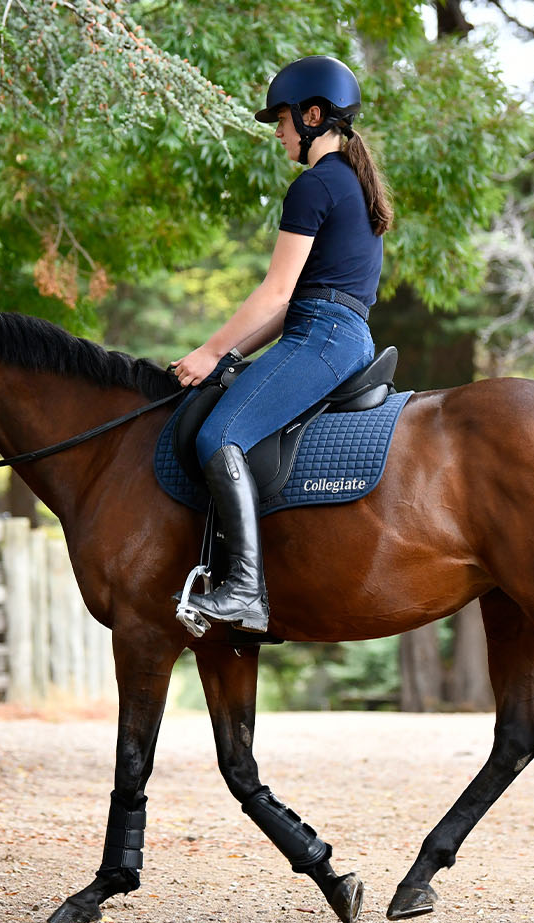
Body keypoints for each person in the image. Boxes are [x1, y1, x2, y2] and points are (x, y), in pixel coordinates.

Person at [170, 55, 393, 633]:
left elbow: (275, 295)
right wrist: (232, 353)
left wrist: (211, 351)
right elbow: (294, 304)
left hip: (322, 337)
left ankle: (244, 589)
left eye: (284, 119)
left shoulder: (314, 185)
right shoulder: (352, 182)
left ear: (314, 116)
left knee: (221, 435)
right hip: (337, 332)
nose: (279, 131)